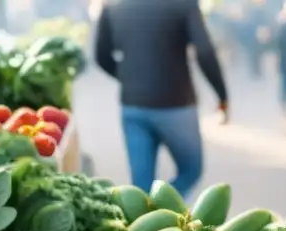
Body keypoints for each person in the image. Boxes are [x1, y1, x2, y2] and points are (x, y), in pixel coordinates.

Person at [95, 0, 228, 198]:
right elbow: (205, 51)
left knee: (140, 189)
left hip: (133, 106)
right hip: (176, 105)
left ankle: (148, 216)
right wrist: (222, 96)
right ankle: (162, 210)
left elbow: (101, 56)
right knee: (191, 170)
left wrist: (129, 78)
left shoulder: (113, 6)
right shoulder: (183, 4)